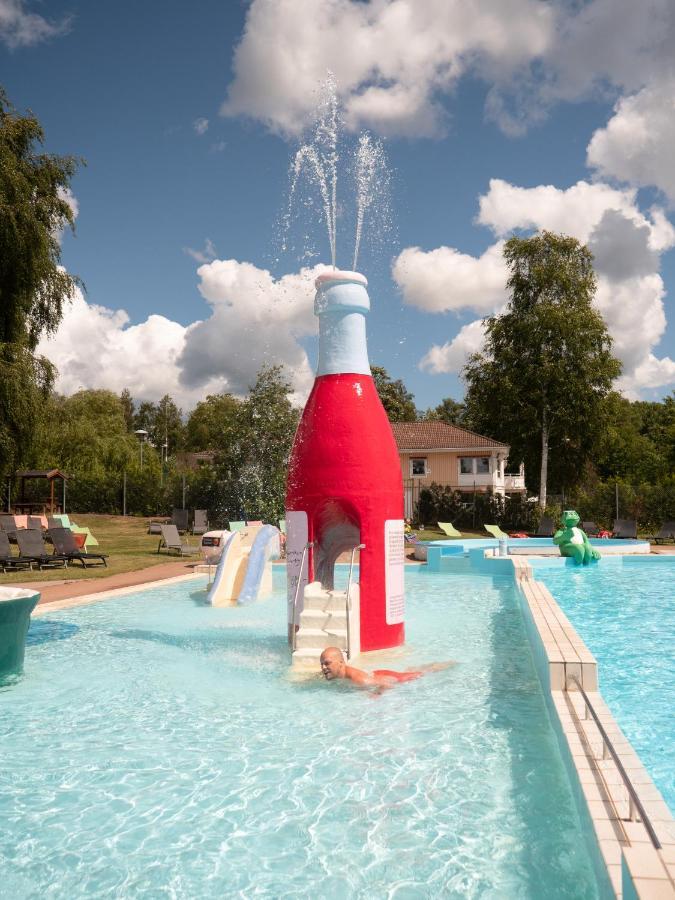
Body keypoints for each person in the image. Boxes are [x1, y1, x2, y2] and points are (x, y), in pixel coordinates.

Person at [319, 646, 455, 690]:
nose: (324, 667)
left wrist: (376, 694)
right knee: (409, 670)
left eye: (327, 663)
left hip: (385, 678)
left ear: (341, 663)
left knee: (420, 673)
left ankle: (448, 664)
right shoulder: (337, 674)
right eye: (322, 664)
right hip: (374, 674)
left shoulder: (360, 680)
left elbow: (387, 685)